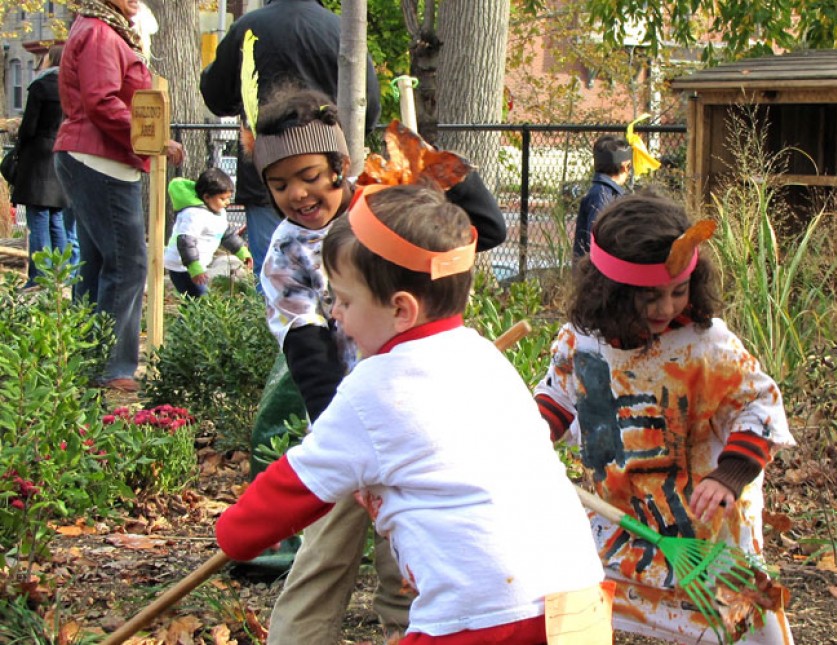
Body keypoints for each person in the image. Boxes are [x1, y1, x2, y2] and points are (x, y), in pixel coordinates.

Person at [216, 182, 608, 644]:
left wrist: (232, 534)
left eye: (342, 300)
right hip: (578, 602)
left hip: (481, 617)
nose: (335, 314)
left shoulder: (373, 387)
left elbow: (292, 488)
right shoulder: (483, 357)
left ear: (401, 309)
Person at [249, 87, 506, 644]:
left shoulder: (390, 207)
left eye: (311, 175)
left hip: (419, 419)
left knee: (406, 562)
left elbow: (488, 228)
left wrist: (438, 168)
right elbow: (307, 349)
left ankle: (402, 632)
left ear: (341, 166)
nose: (298, 193)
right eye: (280, 183)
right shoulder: (288, 254)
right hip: (347, 419)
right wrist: (344, 431)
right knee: (323, 558)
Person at [534, 193, 797, 644]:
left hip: (709, 527)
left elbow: (760, 406)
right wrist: (530, 438)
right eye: (650, 297)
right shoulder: (582, 343)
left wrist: (729, 475)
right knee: (573, 611)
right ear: (609, 292)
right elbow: (557, 397)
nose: (667, 308)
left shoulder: (708, 345)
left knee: (747, 625)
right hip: (622, 523)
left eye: (679, 291)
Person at [200, 0, 381, 287]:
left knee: (275, 282)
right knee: (345, 278)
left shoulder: (248, 28)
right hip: (329, 178)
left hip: (269, 180)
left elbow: (216, 96)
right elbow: (368, 109)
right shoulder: (342, 29)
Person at [53, 0, 184, 393]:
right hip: (100, 159)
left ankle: (83, 359)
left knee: (97, 265)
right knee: (128, 264)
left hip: (97, 157)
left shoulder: (103, 28)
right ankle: (112, 368)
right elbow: (101, 101)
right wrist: (155, 139)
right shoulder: (99, 32)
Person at [12, 45, 77, 289]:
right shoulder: (73, 87)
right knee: (57, 219)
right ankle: (60, 276)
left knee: (38, 218)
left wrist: (20, 146)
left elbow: (28, 127)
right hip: (63, 155)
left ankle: (39, 275)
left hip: (38, 159)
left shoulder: (40, 86)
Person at [163, 168, 250, 298]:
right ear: (207, 197)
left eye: (228, 198)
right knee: (200, 301)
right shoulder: (193, 214)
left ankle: (186, 318)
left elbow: (226, 235)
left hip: (195, 266)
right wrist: (194, 268)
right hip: (183, 266)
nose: (227, 203)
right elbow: (186, 241)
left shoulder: (218, 212)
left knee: (196, 303)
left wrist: (243, 252)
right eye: (222, 198)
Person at [572, 134, 631, 257]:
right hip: (596, 271)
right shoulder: (602, 195)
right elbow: (596, 241)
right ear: (625, 166)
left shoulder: (604, 192)